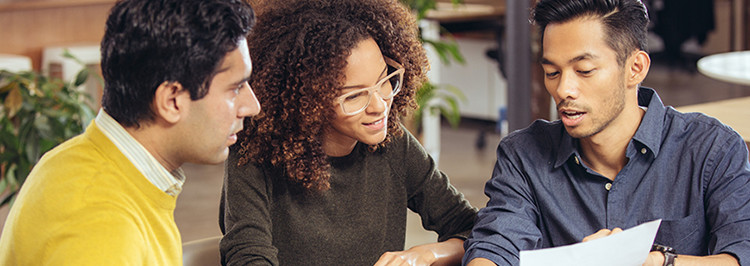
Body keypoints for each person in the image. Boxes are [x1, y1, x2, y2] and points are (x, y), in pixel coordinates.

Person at [463, 0, 750, 265]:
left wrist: (655, 262)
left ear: (635, 68)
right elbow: (495, 247)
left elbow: (742, 254)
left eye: (584, 70)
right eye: (553, 73)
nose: (564, 90)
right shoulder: (523, 155)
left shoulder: (713, 150)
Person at [218, 0, 477, 265]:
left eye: (384, 80)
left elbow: (475, 230)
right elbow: (247, 256)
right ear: (309, 101)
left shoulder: (394, 145)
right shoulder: (255, 151)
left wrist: (425, 254)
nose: (379, 106)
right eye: (354, 96)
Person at [0, 0, 260, 264]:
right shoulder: (100, 227)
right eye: (235, 88)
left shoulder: (82, 161)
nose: (253, 106)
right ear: (172, 100)